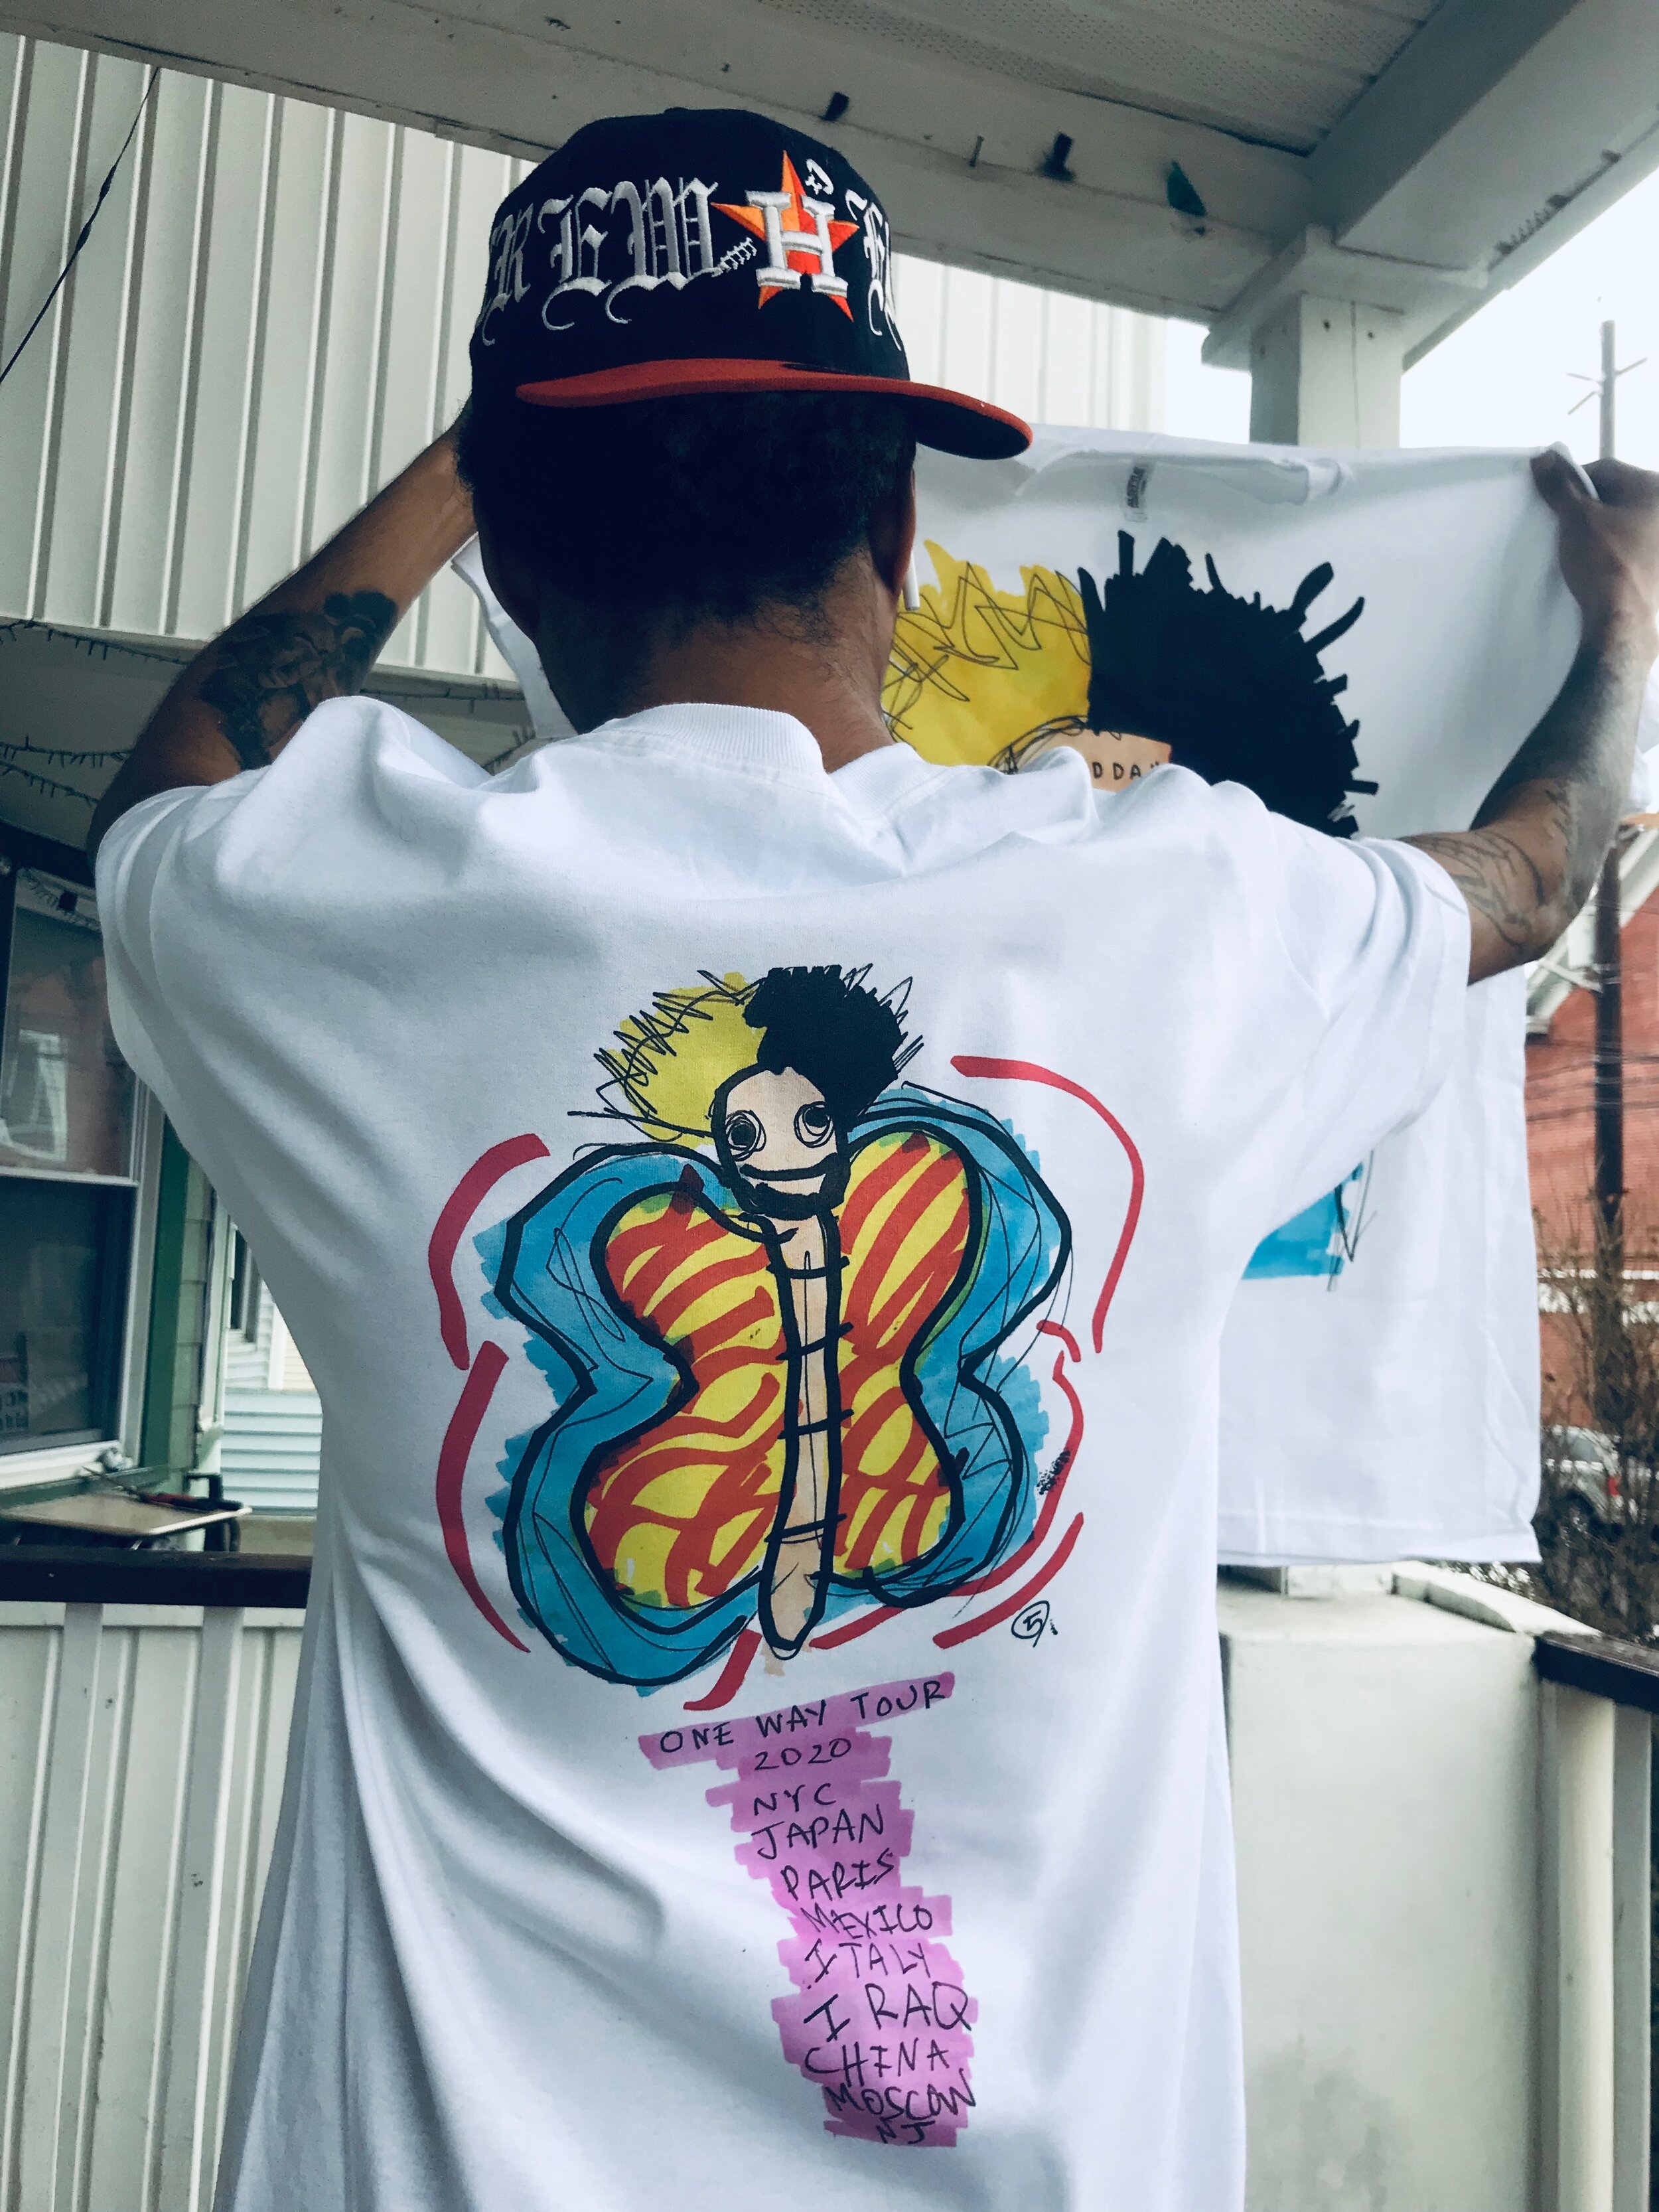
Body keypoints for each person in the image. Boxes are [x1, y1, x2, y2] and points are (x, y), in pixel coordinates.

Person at [88, 104, 1659, 2212]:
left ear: (513, 562)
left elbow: (168, 791)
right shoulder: (1177, 908)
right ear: (901, 527)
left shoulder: (332, 917)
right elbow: (1532, 877)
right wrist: (1624, 627)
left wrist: (478, 459)